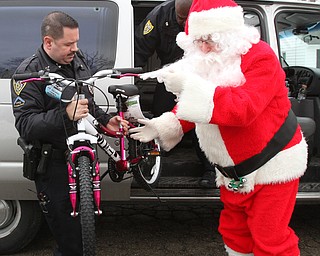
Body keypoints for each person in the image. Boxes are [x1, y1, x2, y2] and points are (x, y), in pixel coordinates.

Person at [130, 0, 308, 255]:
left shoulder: (261, 58)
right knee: (235, 233)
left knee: (270, 239)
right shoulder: (208, 60)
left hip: (272, 163)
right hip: (233, 170)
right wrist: (163, 126)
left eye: (209, 38)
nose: (203, 46)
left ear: (229, 33)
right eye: (197, 40)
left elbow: (243, 109)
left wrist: (190, 88)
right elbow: (194, 107)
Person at [11, 11, 128, 256]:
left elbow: (88, 103)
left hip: (84, 162)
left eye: (77, 42)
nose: (75, 49)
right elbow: (26, 125)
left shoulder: (77, 60)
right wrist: (65, 114)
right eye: (68, 44)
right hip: (53, 166)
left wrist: (108, 121)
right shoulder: (28, 74)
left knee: (85, 236)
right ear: (48, 42)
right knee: (71, 243)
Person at [135, 0, 216, 188]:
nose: (182, 22)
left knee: (201, 122)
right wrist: (132, 78)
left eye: (186, 18)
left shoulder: (208, 16)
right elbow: (140, 48)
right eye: (180, 17)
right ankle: (161, 156)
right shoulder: (158, 16)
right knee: (160, 110)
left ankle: (210, 169)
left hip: (201, 75)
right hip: (171, 72)